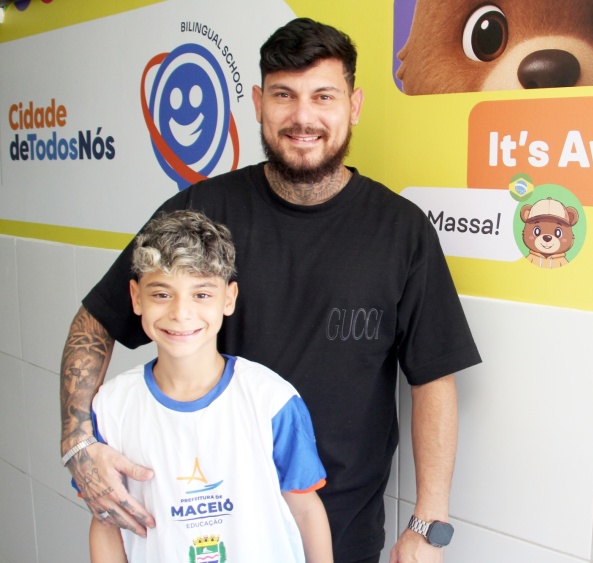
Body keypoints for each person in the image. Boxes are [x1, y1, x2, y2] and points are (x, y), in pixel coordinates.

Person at [60, 17, 481, 563]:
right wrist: (78, 443)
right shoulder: (201, 213)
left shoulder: (401, 230)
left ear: (353, 105)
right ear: (258, 101)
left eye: (322, 96)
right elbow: (96, 319)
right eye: (284, 95)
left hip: (341, 532)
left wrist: (428, 525)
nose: (303, 117)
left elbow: (433, 378)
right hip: (208, 531)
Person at [83, 209, 332, 563]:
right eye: (162, 294)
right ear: (136, 298)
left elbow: (306, 511)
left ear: (228, 298)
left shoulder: (272, 400)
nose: (181, 313)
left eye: (201, 294)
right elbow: (106, 521)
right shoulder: (111, 407)